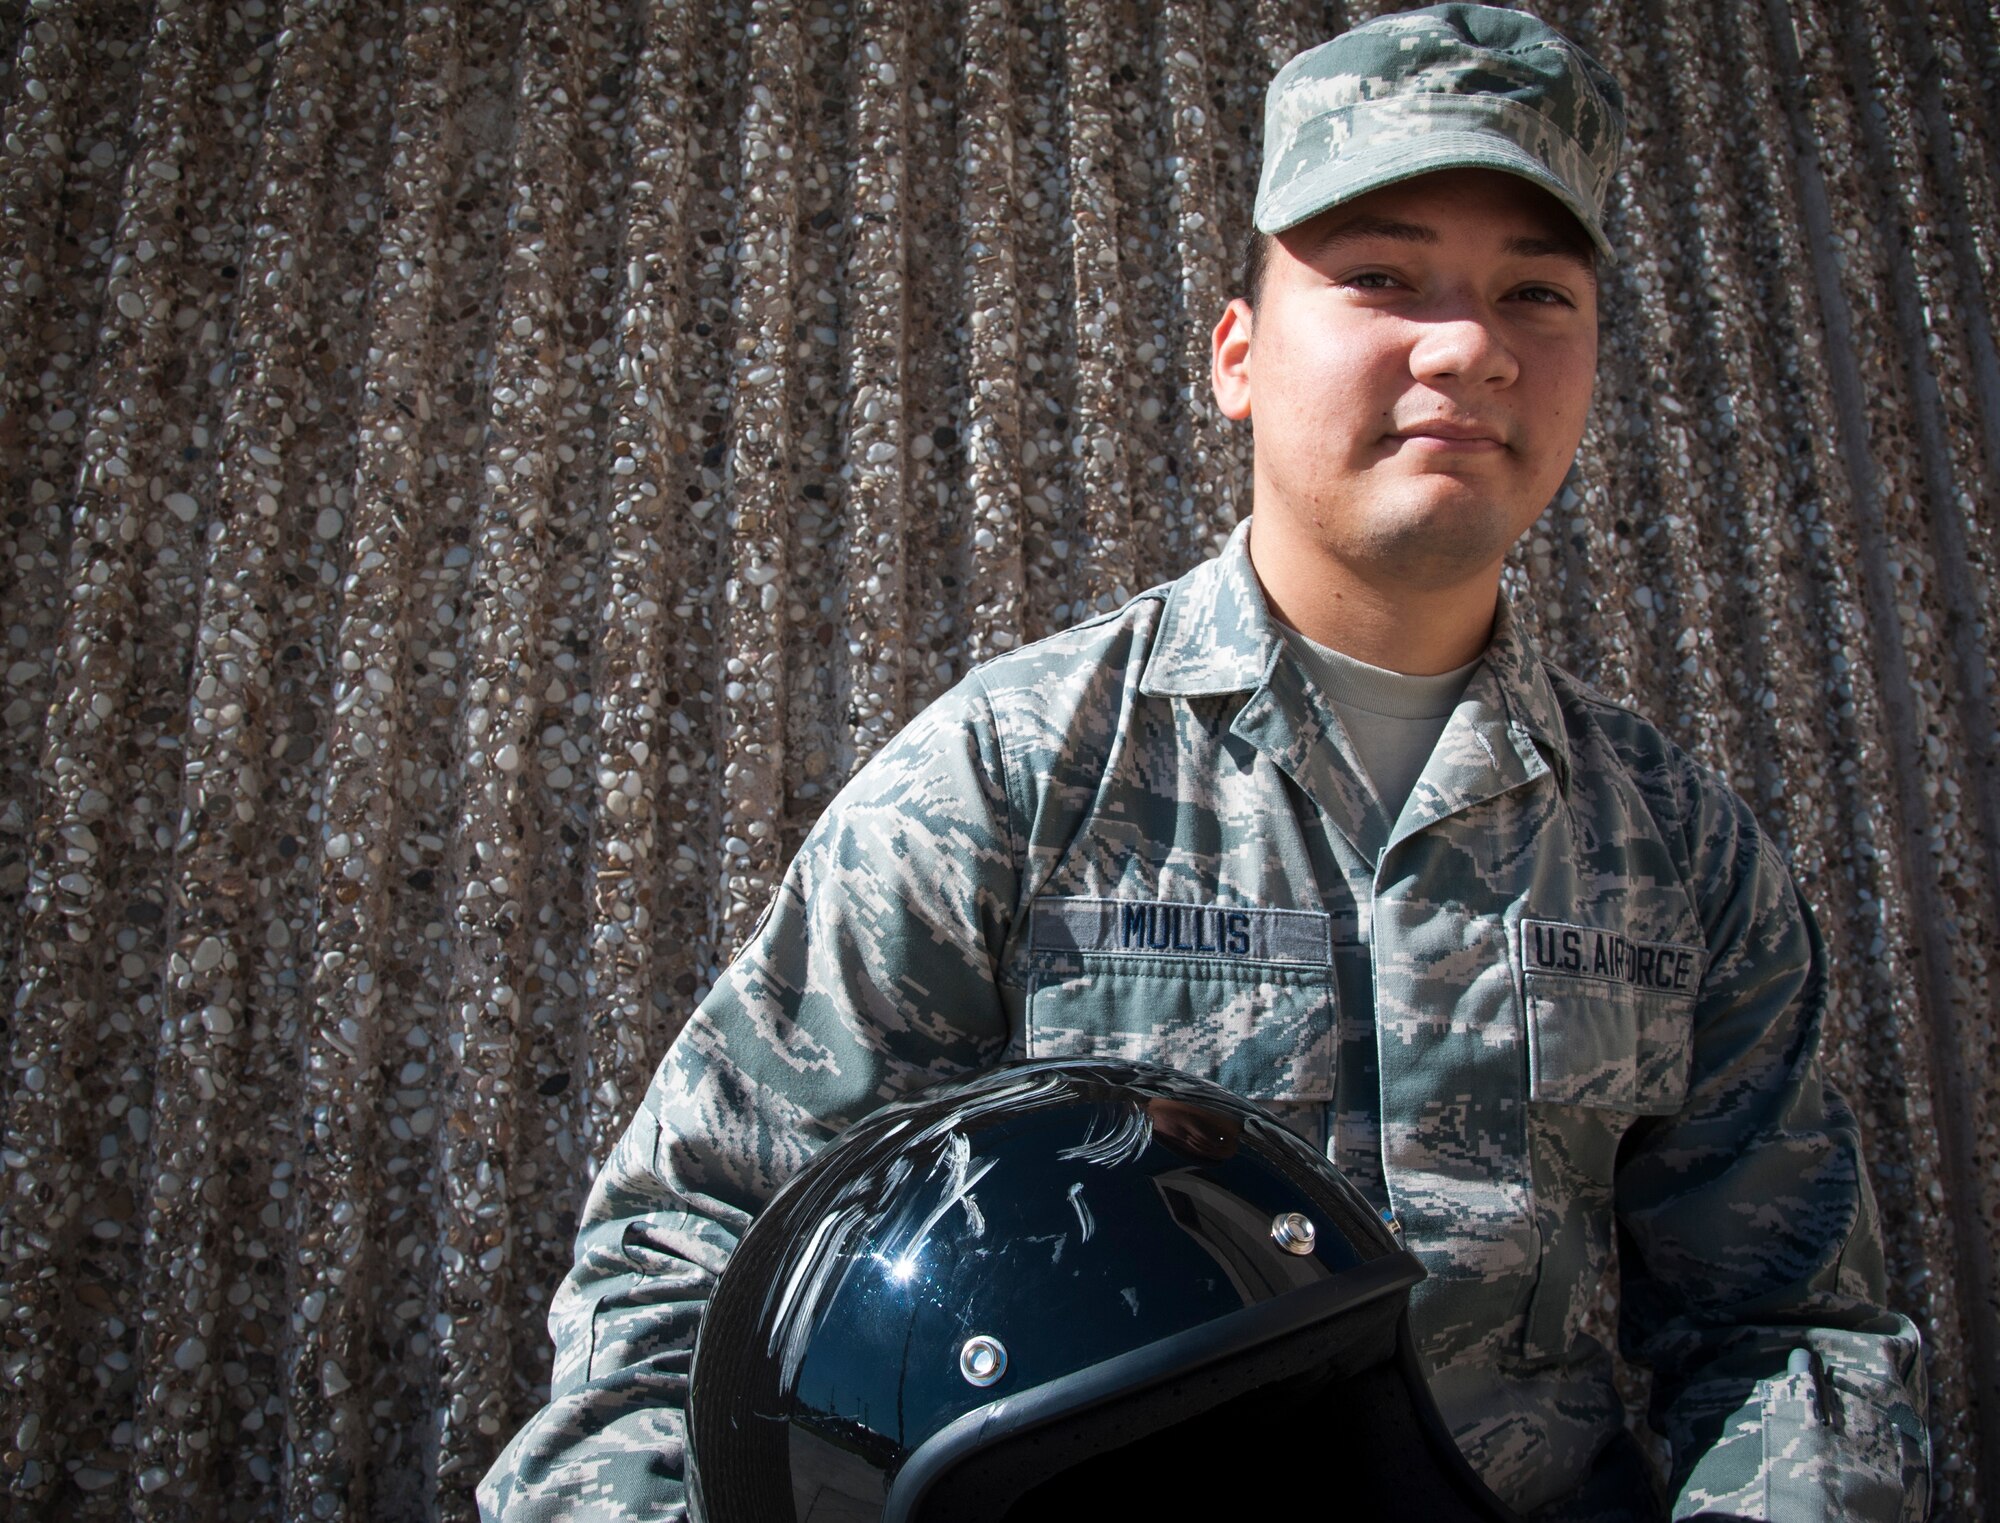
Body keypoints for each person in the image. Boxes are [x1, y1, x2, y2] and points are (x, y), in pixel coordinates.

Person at [481, 6, 1931, 1519]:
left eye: (1537, 294)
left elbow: (1792, 1329)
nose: (1468, 346)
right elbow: (681, 1280)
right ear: (1237, 356)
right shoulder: (1016, 779)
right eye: (1380, 277)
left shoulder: (1675, 849)